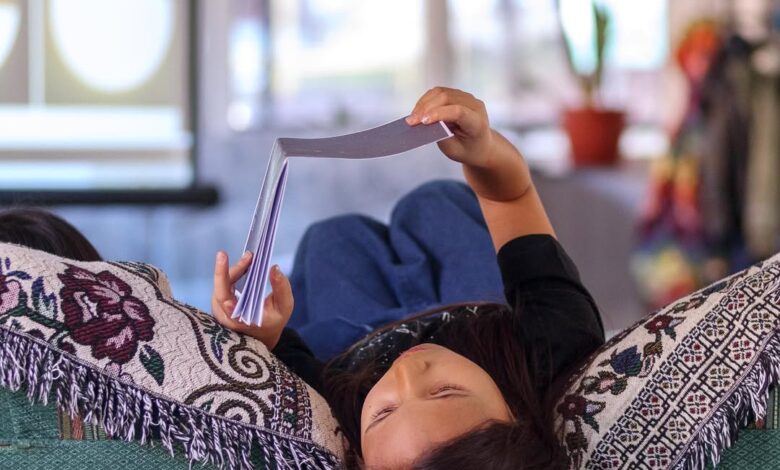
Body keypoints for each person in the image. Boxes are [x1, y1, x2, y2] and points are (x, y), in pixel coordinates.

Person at [211, 87, 606, 469]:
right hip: (473, 313)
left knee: (331, 239)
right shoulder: (557, 349)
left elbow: (282, 355)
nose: (404, 374)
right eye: (444, 392)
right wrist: (484, 151)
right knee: (436, 203)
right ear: (516, 416)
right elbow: (510, 198)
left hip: (356, 346)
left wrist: (262, 332)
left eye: (383, 413)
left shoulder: (340, 415)